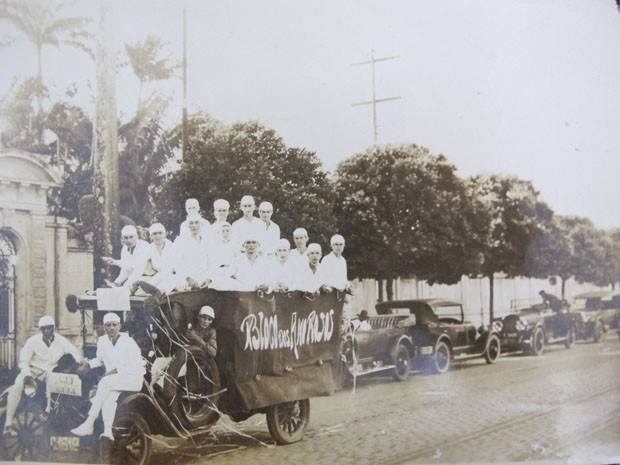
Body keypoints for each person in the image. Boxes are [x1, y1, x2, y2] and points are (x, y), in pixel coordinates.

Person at [71, 313, 145, 441]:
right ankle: (107, 432)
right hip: (115, 381)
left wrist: (116, 370)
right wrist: (88, 365)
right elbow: (100, 360)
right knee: (108, 399)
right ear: (104, 327)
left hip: (132, 378)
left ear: (119, 326)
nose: (111, 328)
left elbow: (138, 365)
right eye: (108, 325)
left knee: (105, 382)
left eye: (114, 325)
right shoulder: (103, 341)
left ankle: (89, 422)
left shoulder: (128, 342)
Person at [3, 316, 83, 434]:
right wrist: (27, 375)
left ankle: (49, 412)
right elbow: (24, 361)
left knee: (56, 385)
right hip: (32, 370)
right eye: (44, 329)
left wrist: (80, 362)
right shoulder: (33, 341)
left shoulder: (61, 341)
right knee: (16, 387)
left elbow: (75, 353)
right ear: (40, 329)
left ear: (53, 328)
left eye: (49, 328)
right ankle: (8, 423)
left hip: (49, 372)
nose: (46, 331)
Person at [132, 223, 176, 294]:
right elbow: (140, 266)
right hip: (158, 276)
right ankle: (153, 290)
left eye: (160, 233)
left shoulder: (172, 247)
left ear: (165, 234)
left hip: (172, 276)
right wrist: (133, 280)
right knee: (141, 289)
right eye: (154, 234)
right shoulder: (149, 248)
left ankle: (158, 292)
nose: (157, 236)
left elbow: (171, 269)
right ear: (151, 236)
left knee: (168, 281)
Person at [173, 212, 212, 291]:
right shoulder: (180, 241)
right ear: (187, 225)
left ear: (201, 225)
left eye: (197, 222)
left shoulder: (208, 241)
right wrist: (188, 278)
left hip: (205, 277)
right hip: (187, 277)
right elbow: (177, 264)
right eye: (191, 223)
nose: (194, 225)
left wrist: (209, 278)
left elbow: (213, 262)